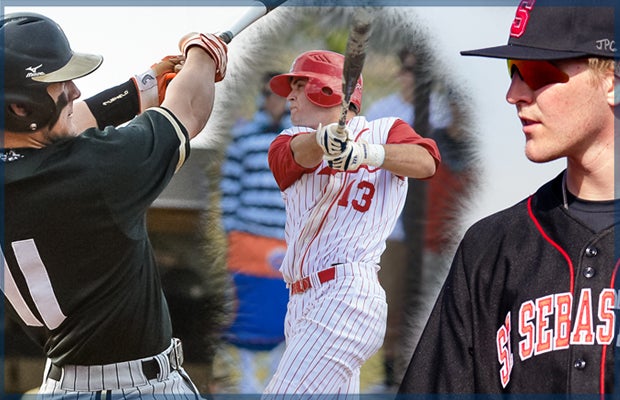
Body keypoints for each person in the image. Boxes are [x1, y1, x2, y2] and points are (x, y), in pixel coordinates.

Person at [2, 12, 227, 398]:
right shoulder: (97, 171)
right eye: (59, 84)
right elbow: (188, 109)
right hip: (133, 388)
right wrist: (202, 51)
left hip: (61, 385)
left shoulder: (57, 165)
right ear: (21, 108)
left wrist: (139, 88)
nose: (73, 91)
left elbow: (69, 124)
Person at [399, 0, 618, 394]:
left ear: (612, 81)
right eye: (512, 70)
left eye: (537, 72)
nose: (514, 93)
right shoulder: (490, 248)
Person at [261, 49, 441, 396]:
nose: (291, 96)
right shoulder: (287, 139)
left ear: (325, 90)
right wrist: (323, 140)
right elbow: (296, 155)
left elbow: (427, 161)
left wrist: (367, 154)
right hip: (301, 301)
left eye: (299, 86)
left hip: (347, 293)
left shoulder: (385, 130)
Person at [364, 46, 458, 392]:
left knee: (431, 308)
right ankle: (392, 378)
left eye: (418, 71)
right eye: (406, 69)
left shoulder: (444, 112)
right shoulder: (382, 111)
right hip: (396, 230)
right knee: (393, 305)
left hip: (436, 232)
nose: (411, 77)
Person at [219, 72, 291, 393]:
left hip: (285, 240)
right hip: (248, 238)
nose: (274, 101)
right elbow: (230, 188)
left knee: (283, 310)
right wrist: (230, 230)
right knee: (247, 312)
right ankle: (247, 381)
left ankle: (277, 378)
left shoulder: (299, 139)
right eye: (270, 94)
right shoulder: (245, 137)